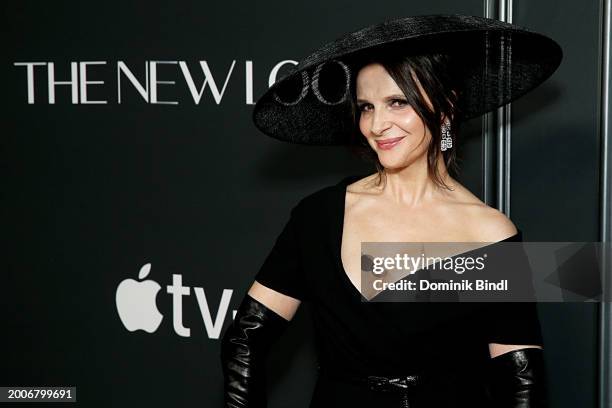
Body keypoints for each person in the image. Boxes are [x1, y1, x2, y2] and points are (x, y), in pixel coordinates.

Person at [221, 15, 562, 408]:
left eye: (397, 102)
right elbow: (245, 339)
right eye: (366, 107)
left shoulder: (489, 232)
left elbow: (520, 378)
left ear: (446, 107)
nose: (377, 124)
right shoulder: (320, 215)